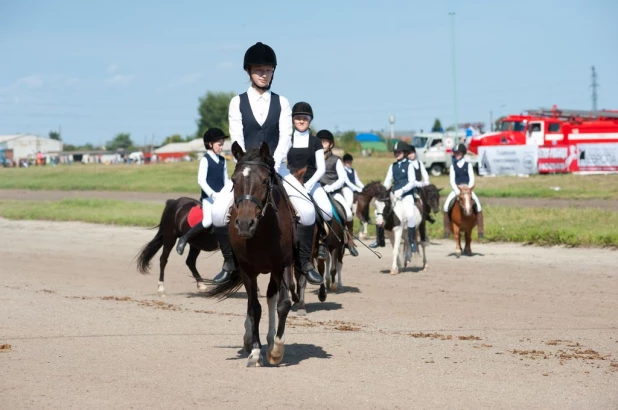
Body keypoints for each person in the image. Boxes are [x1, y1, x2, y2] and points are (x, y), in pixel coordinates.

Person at [211, 42, 322, 286]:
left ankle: (304, 263)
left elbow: (286, 136)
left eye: (268, 70)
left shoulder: (282, 102)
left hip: (277, 168)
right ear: (248, 71)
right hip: (248, 169)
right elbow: (237, 138)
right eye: (259, 69)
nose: (264, 74)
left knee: (308, 210)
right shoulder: (236, 102)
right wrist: (249, 161)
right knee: (218, 213)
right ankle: (229, 262)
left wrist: (273, 160)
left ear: (273, 72)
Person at [286, 101, 332, 259]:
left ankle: (322, 243)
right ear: (293, 120)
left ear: (309, 120)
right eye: (298, 118)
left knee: (327, 211)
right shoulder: (286, 139)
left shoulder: (315, 141)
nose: (301, 121)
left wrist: (308, 185)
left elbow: (321, 168)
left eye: (304, 118)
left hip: (311, 182)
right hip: (290, 182)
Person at [176, 127, 229, 255]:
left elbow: (225, 179)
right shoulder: (205, 160)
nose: (221, 147)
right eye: (219, 145)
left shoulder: (222, 161)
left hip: (221, 197)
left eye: (222, 145)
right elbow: (201, 181)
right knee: (208, 221)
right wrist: (212, 194)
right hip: (209, 198)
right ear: (210, 144)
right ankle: (185, 238)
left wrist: (228, 192)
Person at [371, 141, 423, 252]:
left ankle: (412, 241)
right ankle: (379, 239)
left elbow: (412, 182)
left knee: (410, 215)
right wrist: (383, 190)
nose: (397, 154)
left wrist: (402, 190)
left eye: (399, 152)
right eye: (395, 152)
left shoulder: (409, 165)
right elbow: (388, 180)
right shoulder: (392, 166)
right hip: (394, 194)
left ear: (404, 152)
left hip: (406, 195)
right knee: (378, 212)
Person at [317, 130, 359, 257]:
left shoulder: (336, 160)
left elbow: (342, 179)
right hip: (318, 191)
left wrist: (330, 188)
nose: (322, 144)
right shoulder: (313, 159)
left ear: (330, 144)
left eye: (324, 142)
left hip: (334, 192)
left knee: (348, 213)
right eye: (319, 142)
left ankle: (350, 240)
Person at [443, 143, 484, 238]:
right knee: (445, 206)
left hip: (467, 189)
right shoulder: (453, 166)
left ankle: (480, 230)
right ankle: (447, 229)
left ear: (463, 154)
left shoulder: (468, 165)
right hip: (457, 189)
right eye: (455, 153)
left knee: (478, 206)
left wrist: (468, 190)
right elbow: (452, 180)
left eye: (459, 153)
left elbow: (472, 178)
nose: (457, 155)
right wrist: (457, 191)